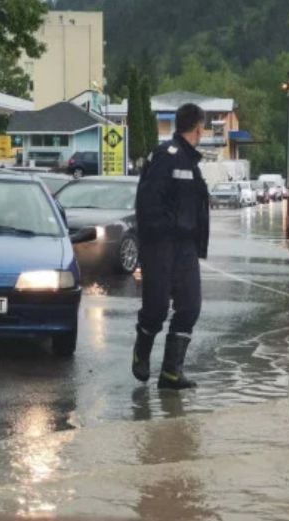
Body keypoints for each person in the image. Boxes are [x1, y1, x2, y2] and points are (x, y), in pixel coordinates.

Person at [132, 103, 209, 390]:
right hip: (160, 244)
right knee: (157, 308)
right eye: (204, 127)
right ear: (198, 127)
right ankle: (141, 351)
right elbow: (148, 203)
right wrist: (164, 233)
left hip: (186, 247)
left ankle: (171, 373)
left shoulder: (191, 163)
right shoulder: (166, 156)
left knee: (190, 306)